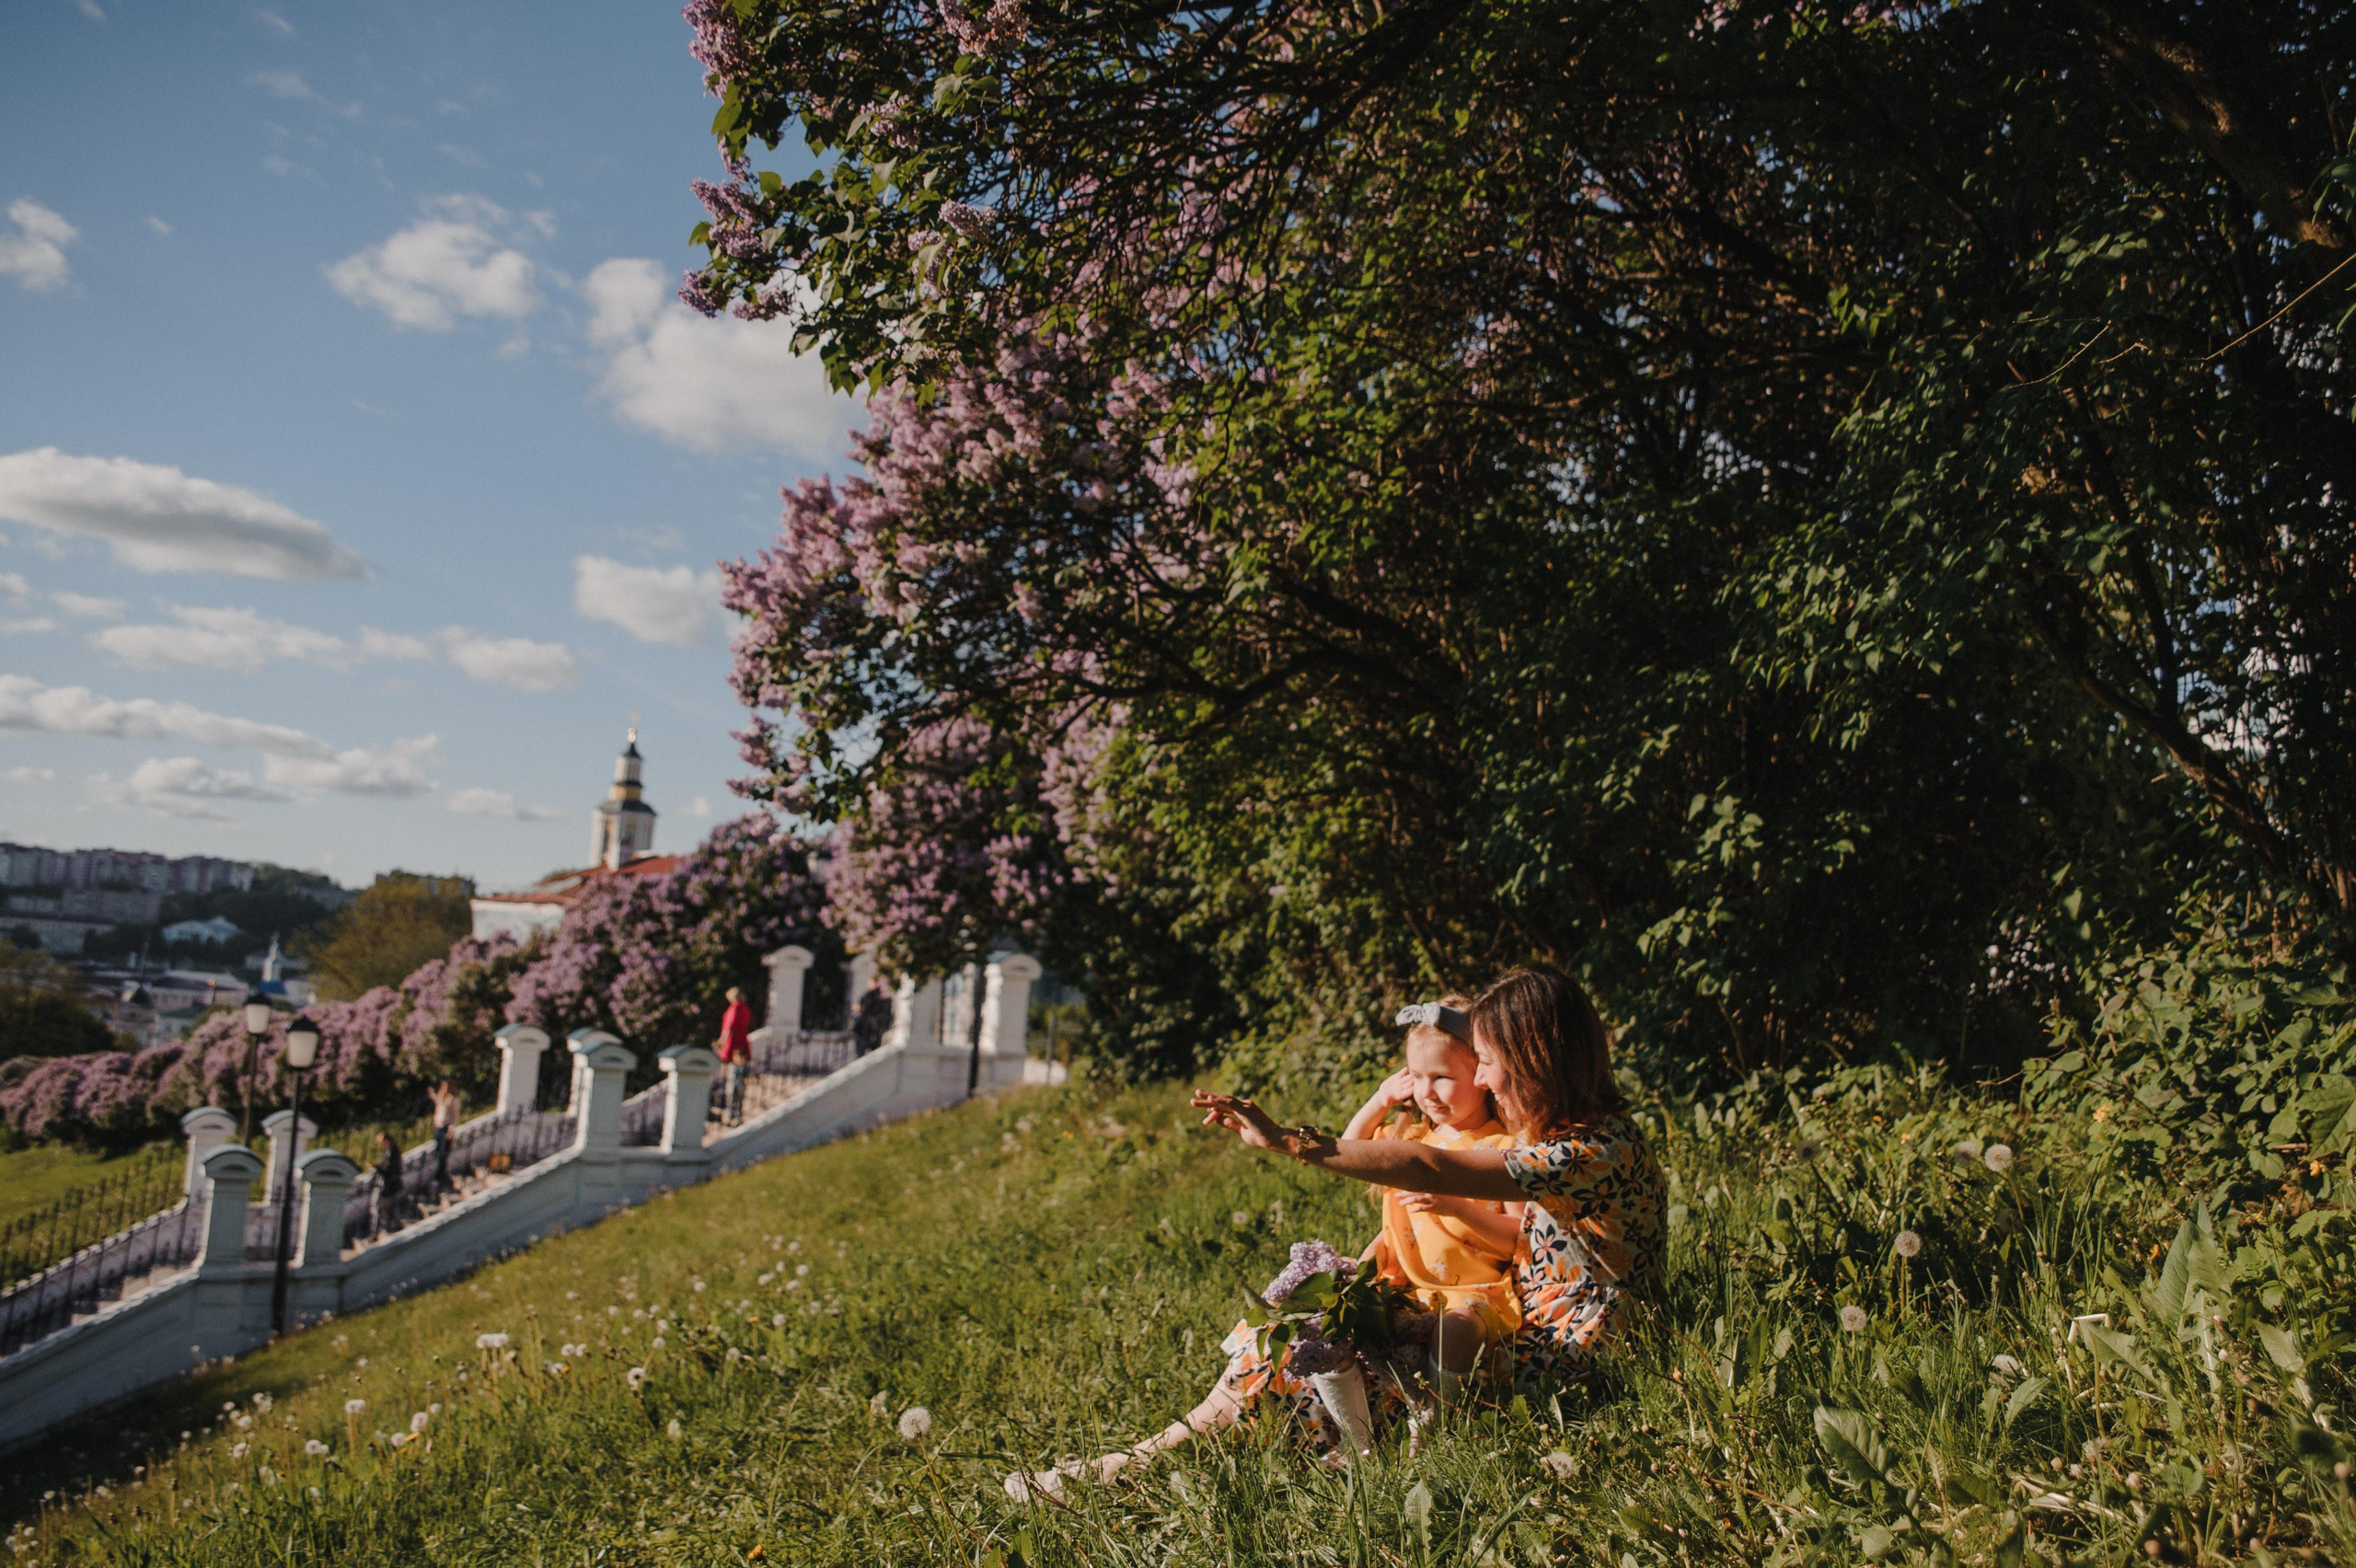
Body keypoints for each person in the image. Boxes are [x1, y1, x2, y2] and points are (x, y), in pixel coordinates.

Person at [1019, 966, 1662, 1494]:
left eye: (1490, 1062)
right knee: (1294, 1336)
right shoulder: (1569, 1138)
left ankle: (1133, 1470)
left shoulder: (1585, 1155)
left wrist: (1290, 1142)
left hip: (1556, 1363)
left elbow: (1434, 1165)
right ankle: (1137, 1462)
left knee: (1321, 1361)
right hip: (1524, 1338)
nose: (1485, 1081)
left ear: (1535, 1060)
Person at [1341, 996, 1522, 1401]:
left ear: (1479, 1074)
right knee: (1341, 1318)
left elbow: (1516, 1240)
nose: (1427, 1092)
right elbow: (1349, 1151)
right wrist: (1381, 1099)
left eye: (1441, 1077)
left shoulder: (1501, 1146)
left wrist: (1457, 1206)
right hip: (1408, 1284)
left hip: (1475, 1290)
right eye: (1416, 1076)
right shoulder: (1411, 1139)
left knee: (1456, 1328)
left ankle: (1440, 1421)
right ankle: (1360, 1425)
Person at [717, 985, 753, 1125]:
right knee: (739, 1080)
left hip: (733, 1047)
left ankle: (731, 1113)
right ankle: (737, 1113)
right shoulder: (745, 1008)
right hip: (742, 1046)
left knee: (733, 1082)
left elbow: (729, 1027)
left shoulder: (735, 1008)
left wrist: (721, 1042)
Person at [427, 1078, 461, 1192]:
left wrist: (451, 1129)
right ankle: (441, 1176)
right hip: (438, 1127)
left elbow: (455, 1116)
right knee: (438, 1153)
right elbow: (437, 1102)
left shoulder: (452, 1100)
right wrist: (432, 1095)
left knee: (443, 1153)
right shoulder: (442, 1098)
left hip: (446, 1129)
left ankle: (440, 1177)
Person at [370, 1130, 405, 1239]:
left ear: (386, 1141)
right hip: (392, 1185)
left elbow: (388, 1170)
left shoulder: (391, 1152)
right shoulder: (392, 1151)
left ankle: (375, 1232)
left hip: (387, 1185)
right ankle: (394, 1226)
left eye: (381, 1142)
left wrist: (375, 1168)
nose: (381, 1145)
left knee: (377, 1208)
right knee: (388, 1207)